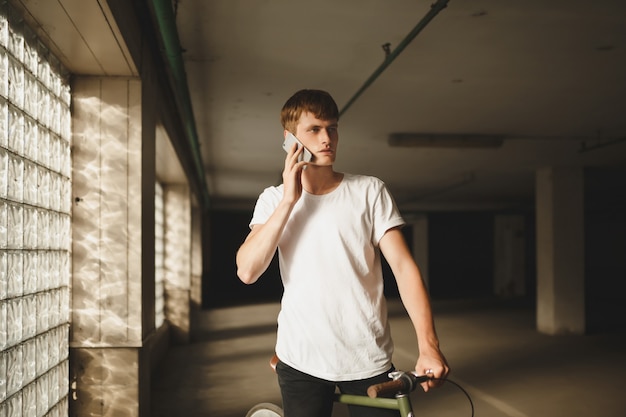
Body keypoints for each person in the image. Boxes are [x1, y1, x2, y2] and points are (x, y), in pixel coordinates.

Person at [236, 89, 449, 417]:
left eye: (332, 128)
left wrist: (429, 347)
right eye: (314, 130)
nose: (327, 138)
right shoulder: (272, 200)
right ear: (289, 139)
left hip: (368, 359)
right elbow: (247, 271)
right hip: (300, 360)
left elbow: (405, 270)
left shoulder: (369, 191)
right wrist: (289, 200)